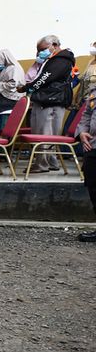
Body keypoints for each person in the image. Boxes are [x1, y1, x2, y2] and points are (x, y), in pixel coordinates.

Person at [21, 34, 75, 172]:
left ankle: (41, 164)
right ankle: (51, 162)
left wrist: (27, 87)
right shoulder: (57, 59)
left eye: (43, 49)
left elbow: (44, 79)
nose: (40, 53)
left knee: (43, 134)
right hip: (51, 99)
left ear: (55, 45)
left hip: (50, 100)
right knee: (49, 134)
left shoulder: (61, 60)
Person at [74, 84, 96, 242]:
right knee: (93, 185)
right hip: (93, 145)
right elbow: (86, 115)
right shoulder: (94, 91)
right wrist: (81, 132)